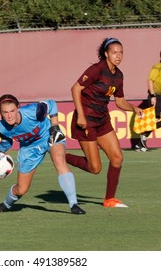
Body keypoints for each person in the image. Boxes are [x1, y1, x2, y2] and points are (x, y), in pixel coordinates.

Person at [65, 37, 143, 208]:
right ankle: (61, 156)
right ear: (106, 54)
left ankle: (109, 199)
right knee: (95, 169)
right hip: (86, 122)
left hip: (103, 121)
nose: (118, 55)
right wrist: (80, 115)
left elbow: (120, 101)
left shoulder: (119, 75)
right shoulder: (96, 69)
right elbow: (75, 88)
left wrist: (134, 108)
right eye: (114, 52)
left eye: (121, 52)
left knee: (117, 158)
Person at [0, 94, 86, 215]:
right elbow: (6, 142)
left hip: (48, 135)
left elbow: (52, 104)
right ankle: (6, 204)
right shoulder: (1, 127)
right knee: (21, 189)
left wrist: (55, 126)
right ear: (0, 113)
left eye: (12, 111)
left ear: (18, 108)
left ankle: (74, 204)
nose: (9, 116)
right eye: (5, 112)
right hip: (29, 149)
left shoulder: (32, 112)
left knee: (59, 160)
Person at [135, 51, 161, 152]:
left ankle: (141, 140)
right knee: (154, 120)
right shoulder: (157, 67)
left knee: (156, 121)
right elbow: (150, 81)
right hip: (156, 97)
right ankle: (141, 142)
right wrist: (153, 95)